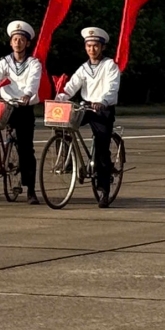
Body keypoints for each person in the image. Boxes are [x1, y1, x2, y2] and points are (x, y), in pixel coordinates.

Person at [57, 26, 120, 208]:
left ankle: (104, 190)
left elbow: (112, 87)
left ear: (102, 47)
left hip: (103, 108)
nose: (92, 49)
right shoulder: (84, 68)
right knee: (63, 122)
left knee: (101, 149)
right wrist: (61, 97)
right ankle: (68, 158)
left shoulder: (110, 66)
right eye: (89, 46)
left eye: (95, 46)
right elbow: (71, 85)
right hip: (85, 106)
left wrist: (102, 100)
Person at [0, 20, 43, 204]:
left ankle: (31, 189)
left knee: (26, 149)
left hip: (24, 108)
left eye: (21, 39)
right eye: (15, 39)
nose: (18, 42)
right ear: (10, 42)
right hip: (7, 106)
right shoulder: (4, 62)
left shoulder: (34, 63)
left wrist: (27, 95)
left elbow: (33, 82)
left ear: (27, 43)